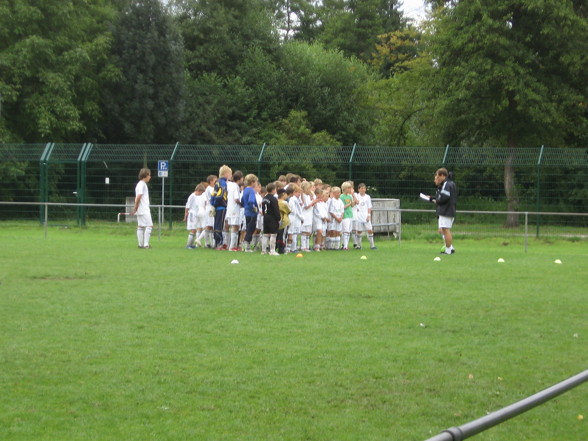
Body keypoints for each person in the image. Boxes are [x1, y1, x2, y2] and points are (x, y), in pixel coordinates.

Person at [426, 168, 457, 254]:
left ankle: (448, 250)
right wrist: (432, 198)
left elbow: (444, 197)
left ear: (443, 176)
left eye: (438, 176)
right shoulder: (447, 184)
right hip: (447, 210)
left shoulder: (447, 184)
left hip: (446, 211)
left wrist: (437, 201)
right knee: (442, 230)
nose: (436, 178)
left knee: (445, 230)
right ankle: (450, 247)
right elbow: (441, 196)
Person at [131, 168, 153, 249]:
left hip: (141, 209)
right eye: (149, 175)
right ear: (146, 176)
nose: (150, 177)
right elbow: (139, 196)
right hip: (144, 208)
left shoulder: (139, 184)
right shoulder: (142, 184)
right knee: (149, 225)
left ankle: (140, 244)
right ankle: (146, 244)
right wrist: (135, 206)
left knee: (140, 226)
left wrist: (136, 207)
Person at [211, 165, 231, 249]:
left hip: (216, 206)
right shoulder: (223, 183)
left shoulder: (217, 182)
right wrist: (218, 203)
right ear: (226, 173)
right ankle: (219, 243)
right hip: (221, 207)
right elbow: (220, 194)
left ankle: (216, 242)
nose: (230, 176)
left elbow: (213, 194)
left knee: (216, 224)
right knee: (219, 225)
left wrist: (212, 203)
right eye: (230, 174)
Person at [354, 183, 377, 249]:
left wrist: (369, 215)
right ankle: (358, 245)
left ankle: (372, 245)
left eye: (364, 188)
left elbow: (369, 207)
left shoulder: (367, 197)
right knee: (359, 231)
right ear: (358, 189)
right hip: (358, 216)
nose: (363, 190)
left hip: (365, 216)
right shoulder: (356, 196)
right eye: (361, 188)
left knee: (370, 230)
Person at [261, 183, 281, 256]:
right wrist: (278, 218)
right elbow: (276, 209)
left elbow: (263, 209)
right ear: (273, 190)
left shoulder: (264, 198)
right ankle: (272, 250)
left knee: (265, 234)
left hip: (265, 216)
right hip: (272, 217)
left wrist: (264, 214)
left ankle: (263, 250)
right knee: (273, 234)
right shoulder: (273, 199)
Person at [241, 174, 259, 252]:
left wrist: (244, 206)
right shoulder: (252, 190)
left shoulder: (245, 190)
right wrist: (254, 208)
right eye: (256, 182)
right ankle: (247, 246)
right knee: (251, 229)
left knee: (248, 228)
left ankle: (244, 245)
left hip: (246, 212)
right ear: (252, 182)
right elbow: (251, 201)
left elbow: (242, 200)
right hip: (252, 213)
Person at [226, 170, 243, 251]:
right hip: (235, 209)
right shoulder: (236, 186)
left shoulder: (230, 185)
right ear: (239, 179)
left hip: (229, 208)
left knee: (232, 226)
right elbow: (236, 199)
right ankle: (232, 246)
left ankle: (231, 245)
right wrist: (242, 204)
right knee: (235, 227)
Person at [183, 184, 203, 249]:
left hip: (196, 214)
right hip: (192, 214)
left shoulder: (197, 196)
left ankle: (191, 245)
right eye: (201, 193)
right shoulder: (192, 196)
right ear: (198, 190)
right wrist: (186, 214)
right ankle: (188, 245)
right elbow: (187, 205)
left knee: (195, 229)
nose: (201, 194)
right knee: (193, 229)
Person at [339, 181, 355, 250]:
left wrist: (353, 202)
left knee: (349, 230)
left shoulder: (350, 196)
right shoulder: (341, 197)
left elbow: (353, 205)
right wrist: (349, 204)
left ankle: (346, 245)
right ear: (344, 188)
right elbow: (342, 207)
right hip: (345, 215)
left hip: (350, 214)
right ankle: (344, 245)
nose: (349, 189)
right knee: (345, 230)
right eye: (348, 188)